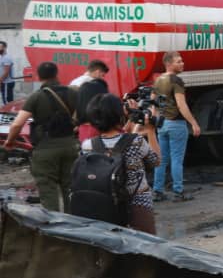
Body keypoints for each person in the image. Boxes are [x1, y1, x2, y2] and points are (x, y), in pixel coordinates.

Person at [2, 62, 78, 211]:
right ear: (57, 74)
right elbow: (82, 116)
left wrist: (10, 142)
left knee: (47, 188)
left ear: (38, 76)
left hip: (45, 149)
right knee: (70, 186)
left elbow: (17, 124)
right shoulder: (73, 93)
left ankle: (53, 228)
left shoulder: (36, 97)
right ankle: (73, 227)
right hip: (70, 146)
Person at [81, 93, 161, 233]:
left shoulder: (87, 146)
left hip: (104, 206)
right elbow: (155, 161)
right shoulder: (136, 142)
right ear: (118, 115)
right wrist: (151, 131)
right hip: (138, 203)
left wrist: (130, 120)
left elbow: (116, 139)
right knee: (145, 248)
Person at [152, 52, 201, 201]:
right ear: (169, 64)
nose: (182, 64)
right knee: (177, 160)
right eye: (178, 62)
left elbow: (153, 103)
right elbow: (181, 104)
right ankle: (178, 192)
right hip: (176, 124)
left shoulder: (158, 80)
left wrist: (156, 120)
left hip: (162, 124)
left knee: (162, 159)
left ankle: (157, 191)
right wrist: (193, 123)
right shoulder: (176, 80)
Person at [73, 59, 110, 143]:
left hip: (80, 125)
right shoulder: (92, 84)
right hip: (91, 125)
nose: (103, 78)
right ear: (97, 72)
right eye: (102, 75)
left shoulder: (76, 81)